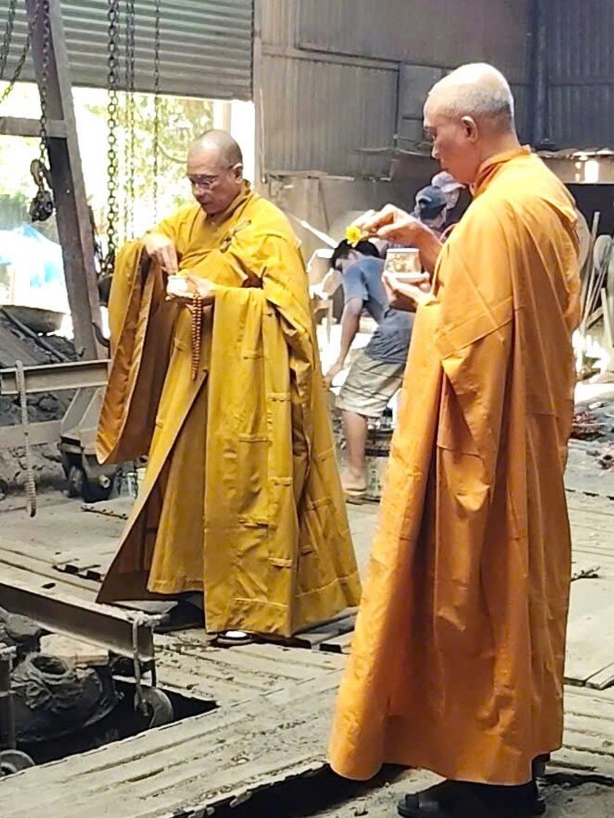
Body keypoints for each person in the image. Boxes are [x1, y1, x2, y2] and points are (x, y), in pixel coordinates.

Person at [329, 64, 581, 818]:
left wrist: (423, 306)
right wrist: (430, 248)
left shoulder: (499, 213)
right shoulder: (543, 195)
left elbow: (475, 346)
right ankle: (519, 753)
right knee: (525, 595)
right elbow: (523, 310)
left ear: (470, 129)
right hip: (529, 436)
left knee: (478, 602)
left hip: (487, 449)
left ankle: (492, 787)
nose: (433, 150)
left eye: (437, 136)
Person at [95, 129, 361, 644]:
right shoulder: (190, 221)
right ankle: (195, 591)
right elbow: (148, 248)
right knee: (187, 487)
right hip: (191, 381)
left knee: (244, 491)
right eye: (193, 181)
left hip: (249, 391)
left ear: (238, 175)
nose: (199, 192)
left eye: (209, 181)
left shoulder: (268, 230)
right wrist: (148, 244)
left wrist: (222, 297)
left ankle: (249, 606)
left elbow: (292, 317)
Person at [324, 241, 414, 497]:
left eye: (340, 267)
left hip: (395, 333)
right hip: (422, 329)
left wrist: (339, 361)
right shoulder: (388, 265)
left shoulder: (357, 266)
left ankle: (355, 475)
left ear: (350, 253)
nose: (343, 275)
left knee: (352, 398)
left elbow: (352, 309)